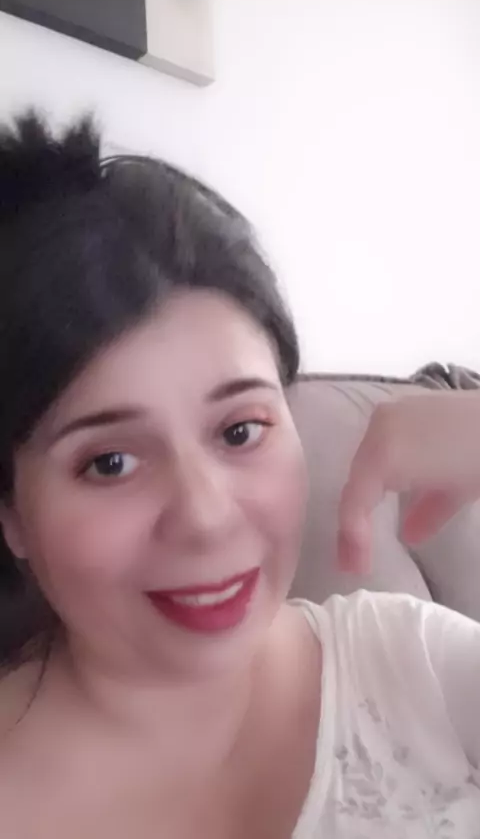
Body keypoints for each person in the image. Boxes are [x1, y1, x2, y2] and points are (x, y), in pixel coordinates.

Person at [0, 112, 479, 839]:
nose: (206, 515)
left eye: (239, 431)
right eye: (110, 462)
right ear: (11, 512)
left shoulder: (413, 664)